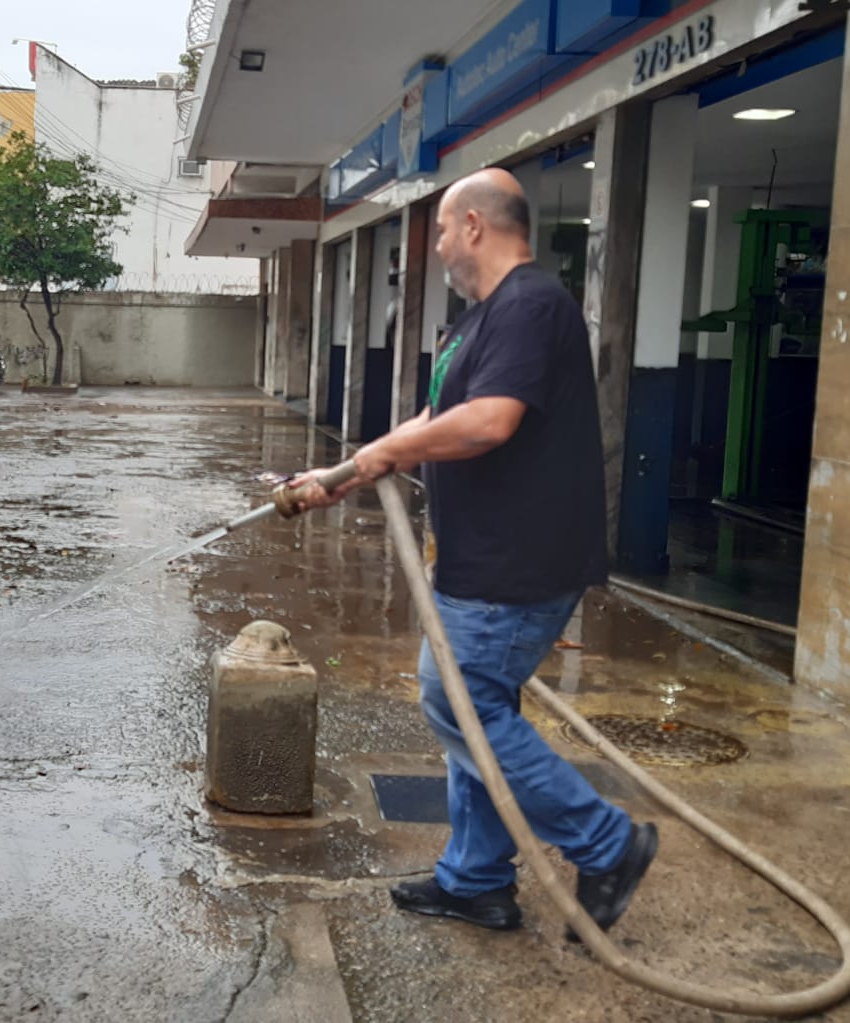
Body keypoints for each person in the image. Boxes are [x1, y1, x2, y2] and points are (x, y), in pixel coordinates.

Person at [290, 167, 656, 936]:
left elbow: (488, 423)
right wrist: (344, 474)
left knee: (463, 704)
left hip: (514, 564)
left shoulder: (531, 306)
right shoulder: (476, 323)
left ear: (477, 226)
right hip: (476, 561)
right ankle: (478, 879)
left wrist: (376, 452)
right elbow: (438, 417)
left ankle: (606, 840)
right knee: (477, 711)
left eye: (445, 231)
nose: (441, 248)